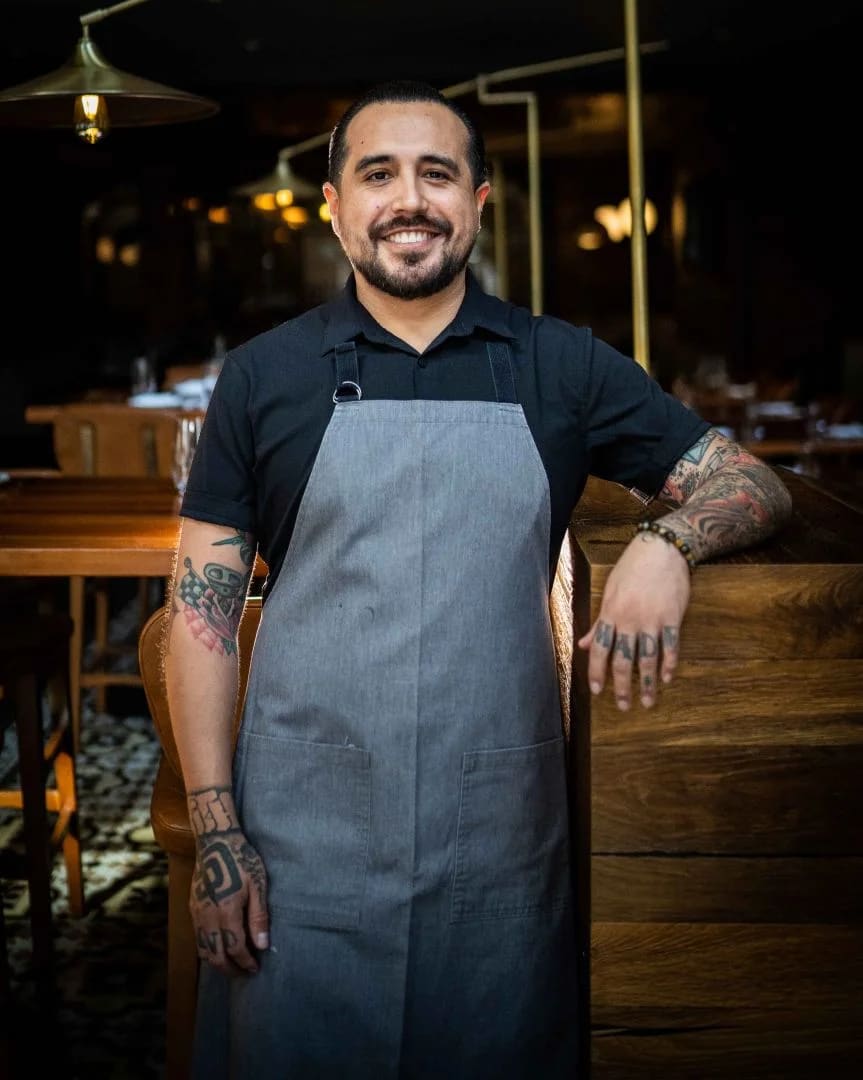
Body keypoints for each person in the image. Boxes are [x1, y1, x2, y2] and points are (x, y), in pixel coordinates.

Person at [163, 80, 791, 1078]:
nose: (408, 199)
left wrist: (667, 544)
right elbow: (196, 620)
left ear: (479, 200)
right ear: (334, 204)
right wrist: (218, 832)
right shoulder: (263, 376)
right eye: (378, 174)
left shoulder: (561, 366)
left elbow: (751, 483)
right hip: (300, 838)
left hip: (496, 835)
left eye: (437, 174)